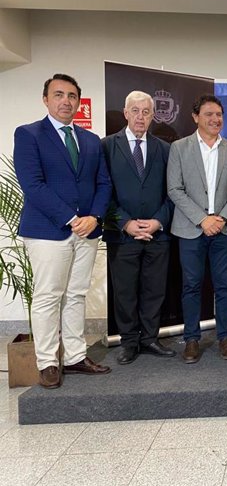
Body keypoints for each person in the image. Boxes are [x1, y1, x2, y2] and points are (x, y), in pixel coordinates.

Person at [14, 74, 112, 389]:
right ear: (46, 99)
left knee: (76, 295)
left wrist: (95, 216)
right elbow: (33, 185)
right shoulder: (29, 135)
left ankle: (74, 356)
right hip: (48, 231)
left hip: (88, 231)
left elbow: (103, 183)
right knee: (48, 296)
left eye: (72, 96)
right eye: (59, 94)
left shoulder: (90, 140)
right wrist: (72, 218)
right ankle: (47, 363)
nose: (66, 101)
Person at [101, 90, 176, 365]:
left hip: (158, 234)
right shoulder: (107, 146)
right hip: (123, 236)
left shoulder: (165, 149)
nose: (140, 117)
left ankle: (150, 338)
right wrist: (126, 223)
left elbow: (173, 192)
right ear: (125, 113)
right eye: (135, 111)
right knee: (125, 291)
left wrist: (158, 221)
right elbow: (101, 192)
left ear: (153, 116)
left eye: (146, 112)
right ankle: (129, 341)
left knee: (154, 289)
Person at [167, 95, 227, 363]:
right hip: (191, 229)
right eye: (209, 114)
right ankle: (191, 340)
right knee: (191, 286)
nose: (215, 119)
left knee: (224, 286)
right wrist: (202, 218)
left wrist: (221, 217)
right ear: (196, 117)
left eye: (219, 114)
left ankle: (225, 337)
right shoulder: (179, 148)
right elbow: (174, 189)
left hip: (223, 229)